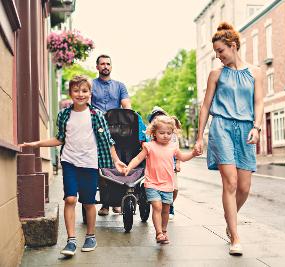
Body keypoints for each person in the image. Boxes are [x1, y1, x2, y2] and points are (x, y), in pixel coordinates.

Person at [19, 75, 126, 257]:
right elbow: (59, 139)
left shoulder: (97, 115)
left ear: (90, 93)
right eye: (76, 90)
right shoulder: (64, 114)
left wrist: (116, 160)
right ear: (70, 93)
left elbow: (108, 140)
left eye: (84, 91)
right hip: (69, 162)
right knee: (70, 199)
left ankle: (90, 236)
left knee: (88, 202)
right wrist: (36, 144)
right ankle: (71, 240)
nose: (80, 94)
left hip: (89, 164)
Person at [194, 22, 263, 256]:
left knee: (244, 187)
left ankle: (229, 218)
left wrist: (257, 127)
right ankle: (235, 235)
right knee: (230, 182)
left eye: (220, 51)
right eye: (215, 52)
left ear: (233, 46)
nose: (218, 56)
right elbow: (205, 107)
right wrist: (199, 137)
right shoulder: (216, 75)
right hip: (221, 127)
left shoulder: (256, 73)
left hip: (245, 130)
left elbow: (259, 103)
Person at [123, 115, 200, 244]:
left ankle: (164, 231)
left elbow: (182, 157)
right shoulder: (149, 146)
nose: (165, 136)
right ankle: (158, 233)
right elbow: (138, 159)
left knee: (165, 209)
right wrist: (129, 167)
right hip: (152, 183)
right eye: (162, 133)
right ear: (154, 133)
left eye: (169, 133)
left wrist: (192, 154)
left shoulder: (173, 147)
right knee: (157, 206)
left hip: (168, 184)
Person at [92, 54, 147, 215]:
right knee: (103, 164)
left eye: (108, 64)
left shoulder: (120, 86)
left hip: (118, 128)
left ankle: (118, 201)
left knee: (121, 160)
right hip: (99, 129)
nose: (105, 66)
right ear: (97, 67)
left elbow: (127, 105)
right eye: (102, 64)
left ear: (111, 66)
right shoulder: (92, 85)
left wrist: (130, 116)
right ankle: (105, 203)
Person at [147, 106, 180, 220]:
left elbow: (177, 151)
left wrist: (178, 163)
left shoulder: (170, 134)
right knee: (157, 206)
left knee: (174, 188)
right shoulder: (151, 137)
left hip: (171, 166)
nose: (165, 135)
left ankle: (169, 204)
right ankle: (160, 230)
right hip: (154, 173)